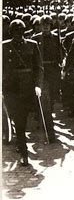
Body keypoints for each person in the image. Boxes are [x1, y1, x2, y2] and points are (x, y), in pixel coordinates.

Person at [2, 20, 43, 165]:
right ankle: (22, 146)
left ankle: (23, 149)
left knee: (22, 120)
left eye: (21, 32)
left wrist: (38, 85)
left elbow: (38, 68)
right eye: (15, 32)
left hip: (27, 88)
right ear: (11, 33)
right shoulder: (4, 46)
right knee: (16, 118)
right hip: (10, 88)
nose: (18, 35)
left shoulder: (32, 45)